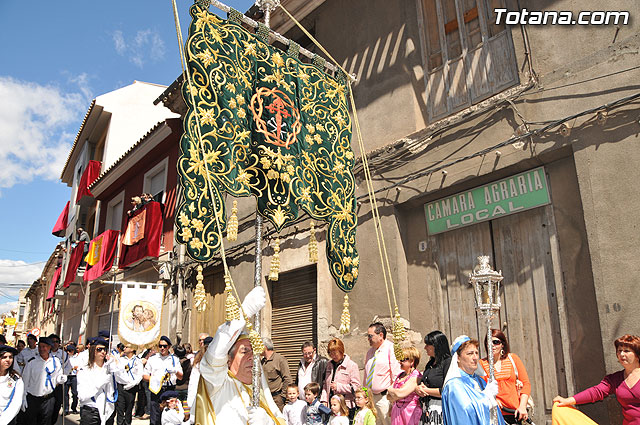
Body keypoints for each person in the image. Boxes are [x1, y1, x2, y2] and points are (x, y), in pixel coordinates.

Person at [195, 286, 285, 425]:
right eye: (244, 351)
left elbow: (281, 420)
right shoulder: (218, 383)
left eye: (254, 352)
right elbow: (216, 352)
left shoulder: (261, 391)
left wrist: (269, 422)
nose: (252, 357)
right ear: (228, 360)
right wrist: (244, 312)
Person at [553, 334, 640, 425]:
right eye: (619, 351)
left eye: (626, 351)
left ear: (637, 354)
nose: (621, 354)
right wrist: (568, 400)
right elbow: (596, 392)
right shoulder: (614, 379)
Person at [441, 335, 503, 425]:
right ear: (457, 358)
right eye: (470, 354)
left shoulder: (480, 381)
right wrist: (487, 397)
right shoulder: (454, 385)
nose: (475, 357)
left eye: (476, 353)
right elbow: (466, 410)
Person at [480, 330, 531, 424]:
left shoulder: (513, 359)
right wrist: (492, 399)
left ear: (502, 344)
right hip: (494, 414)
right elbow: (480, 388)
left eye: (495, 342)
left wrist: (522, 406)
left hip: (515, 412)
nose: (492, 345)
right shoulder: (481, 364)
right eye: (489, 342)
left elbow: (526, 384)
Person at [21, 337, 67, 425]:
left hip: (48, 398)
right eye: (40, 347)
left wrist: (61, 378)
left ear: (49, 347)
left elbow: (58, 377)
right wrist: (23, 398)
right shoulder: (32, 362)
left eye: (44, 347)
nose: (41, 349)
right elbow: (25, 381)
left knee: (46, 422)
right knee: (31, 422)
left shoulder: (55, 361)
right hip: (33, 399)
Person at [364, 322, 401, 425]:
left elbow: (396, 375)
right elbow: (366, 375)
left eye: (370, 336)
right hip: (371, 398)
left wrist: (393, 399)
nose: (368, 339)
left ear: (381, 335)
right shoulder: (370, 352)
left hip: (385, 398)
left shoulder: (391, 349)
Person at [77, 337, 117, 425]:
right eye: (99, 349)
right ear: (92, 351)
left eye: (105, 349)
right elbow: (82, 396)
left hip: (108, 411)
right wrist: (99, 384)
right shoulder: (85, 370)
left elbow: (123, 380)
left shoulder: (109, 368)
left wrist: (116, 366)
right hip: (91, 411)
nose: (103, 352)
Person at [144, 337, 183, 425]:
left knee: (169, 416)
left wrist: (175, 371)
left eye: (164, 346)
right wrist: (154, 379)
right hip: (157, 389)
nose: (162, 348)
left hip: (169, 389)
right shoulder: (153, 359)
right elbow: (144, 375)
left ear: (169, 347)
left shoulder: (174, 359)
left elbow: (181, 377)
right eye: (160, 346)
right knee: (155, 416)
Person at [415, 331, 451, 425]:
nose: (425, 347)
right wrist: (419, 388)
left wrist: (426, 390)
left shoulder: (448, 363)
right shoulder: (430, 364)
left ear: (437, 346)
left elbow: (448, 391)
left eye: (428, 345)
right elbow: (423, 382)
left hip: (440, 409)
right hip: (428, 409)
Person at [320, 338, 360, 414]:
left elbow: (356, 387)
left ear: (341, 351)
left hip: (345, 407)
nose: (332, 356)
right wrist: (324, 399)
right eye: (330, 353)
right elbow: (325, 385)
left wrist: (339, 387)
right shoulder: (329, 365)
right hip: (331, 406)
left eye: (335, 353)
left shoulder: (352, 365)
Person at [388, 346, 422, 425]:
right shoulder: (400, 375)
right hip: (397, 412)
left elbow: (400, 393)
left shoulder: (416, 376)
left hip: (410, 413)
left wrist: (390, 390)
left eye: (403, 359)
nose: (400, 362)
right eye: (399, 359)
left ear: (412, 361)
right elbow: (389, 396)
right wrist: (393, 394)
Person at [113, 344, 143, 425]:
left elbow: (139, 375)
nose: (124, 348)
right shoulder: (121, 359)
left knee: (129, 409)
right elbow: (117, 372)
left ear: (132, 349)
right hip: (121, 386)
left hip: (132, 387)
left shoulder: (137, 360)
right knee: (120, 408)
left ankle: (127, 423)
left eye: (127, 347)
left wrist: (131, 384)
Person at [262, 337, 292, 411]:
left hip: (276, 399)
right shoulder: (262, 362)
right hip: (265, 398)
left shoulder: (280, 359)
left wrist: (282, 397)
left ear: (264, 347)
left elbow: (288, 379)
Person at [48, 334, 70, 425]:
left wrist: (63, 376)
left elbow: (68, 367)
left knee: (57, 405)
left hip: (58, 384)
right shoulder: (45, 352)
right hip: (47, 384)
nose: (55, 344)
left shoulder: (63, 354)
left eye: (57, 342)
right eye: (53, 341)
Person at [0, 344, 24, 425]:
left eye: (10, 357)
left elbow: (16, 403)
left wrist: (3, 421)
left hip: (7, 419)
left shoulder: (16, 379)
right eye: (4, 357)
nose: (8, 360)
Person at [63, 344, 79, 415]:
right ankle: (66, 409)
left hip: (74, 376)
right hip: (67, 376)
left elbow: (78, 366)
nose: (69, 352)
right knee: (65, 394)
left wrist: (75, 367)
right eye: (67, 351)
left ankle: (74, 407)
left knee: (75, 393)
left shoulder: (77, 357)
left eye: (70, 351)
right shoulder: (65, 357)